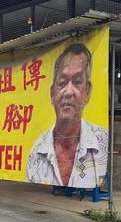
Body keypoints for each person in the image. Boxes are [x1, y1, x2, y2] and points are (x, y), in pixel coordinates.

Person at [26, 43, 108, 188]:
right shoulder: (37, 152)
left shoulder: (102, 141)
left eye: (77, 82)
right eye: (62, 83)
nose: (68, 92)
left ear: (87, 92)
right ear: (52, 94)